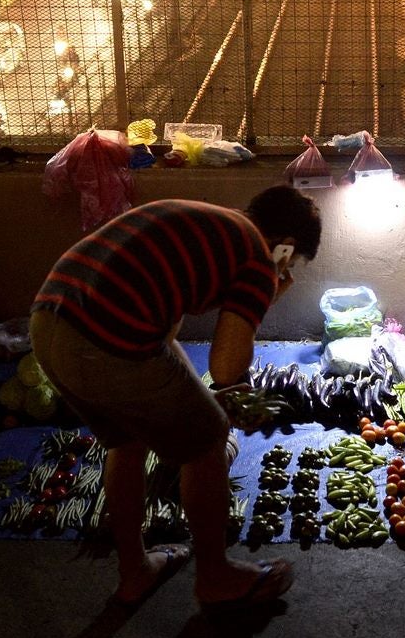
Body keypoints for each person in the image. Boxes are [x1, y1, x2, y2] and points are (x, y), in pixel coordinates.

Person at [30, 186, 322, 609]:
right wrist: (266, 297)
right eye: (289, 264)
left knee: (126, 441)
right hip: (106, 339)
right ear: (285, 247)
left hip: (49, 325)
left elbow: (164, 338)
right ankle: (215, 577)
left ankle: (135, 571)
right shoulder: (258, 256)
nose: (284, 271)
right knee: (210, 438)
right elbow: (226, 366)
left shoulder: (209, 226)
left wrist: (198, 395)